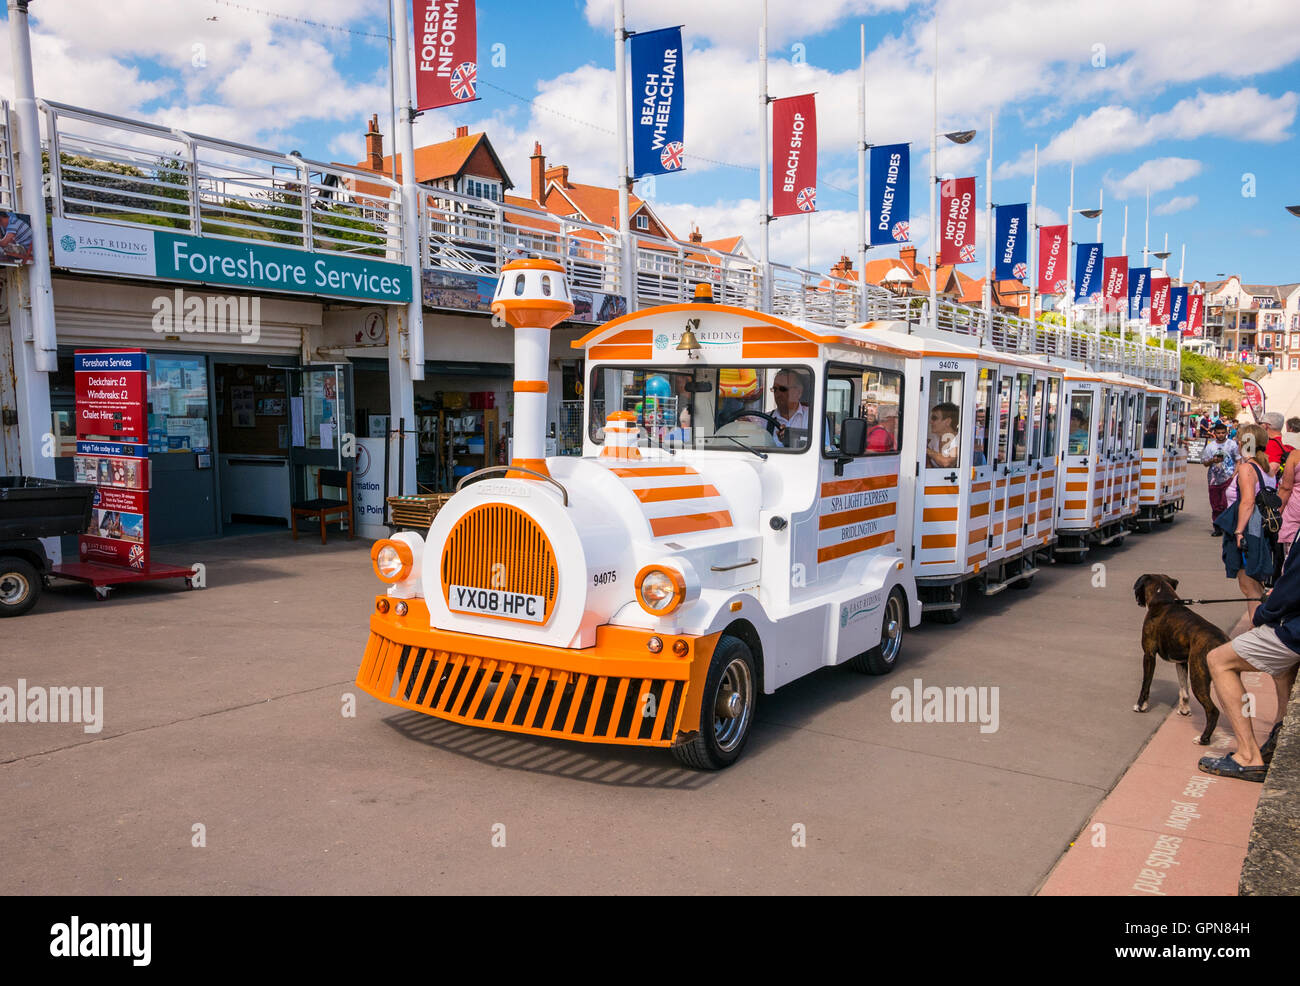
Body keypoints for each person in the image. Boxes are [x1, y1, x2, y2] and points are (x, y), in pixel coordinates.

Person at [1199, 529, 1300, 782]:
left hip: (1295, 631)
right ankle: (1280, 733)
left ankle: (1247, 756)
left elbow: (1292, 590)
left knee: (1218, 660)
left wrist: (1264, 612)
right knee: (1282, 667)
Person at [1215, 423, 1277, 629]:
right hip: (1260, 528)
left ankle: (1255, 629)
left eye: (1240, 440)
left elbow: (1248, 501)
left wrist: (1239, 531)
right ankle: (1259, 627)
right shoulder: (1266, 467)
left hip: (1249, 529)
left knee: (1248, 583)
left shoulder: (1247, 469)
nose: (1237, 443)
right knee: (1255, 584)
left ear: (1245, 442)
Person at [1202, 421, 1239, 528]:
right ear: (1214, 433)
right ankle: (1217, 526)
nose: (1221, 435)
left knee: (1225, 503)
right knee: (1215, 504)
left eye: (1223, 433)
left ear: (1226, 433)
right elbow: (1205, 463)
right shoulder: (1210, 447)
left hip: (1228, 479)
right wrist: (1212, 460)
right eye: (1218, 433)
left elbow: (1238, 461)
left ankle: (1227, 526)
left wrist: (1234, 476)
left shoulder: (1232, 445)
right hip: (1214, 479)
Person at [769, 369, 809, 448]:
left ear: (799, 392)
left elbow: (824, 448)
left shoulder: (814, 418)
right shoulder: (764, 420)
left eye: (783, 389)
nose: (778, 394)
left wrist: (793, 437)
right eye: (775, 389)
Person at [926, 401, 960, 467]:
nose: (930, 422)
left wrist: (926, 450)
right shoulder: (936, 438)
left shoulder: (958, 439)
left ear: (947, 421)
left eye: (934, 418)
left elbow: (947, 462)